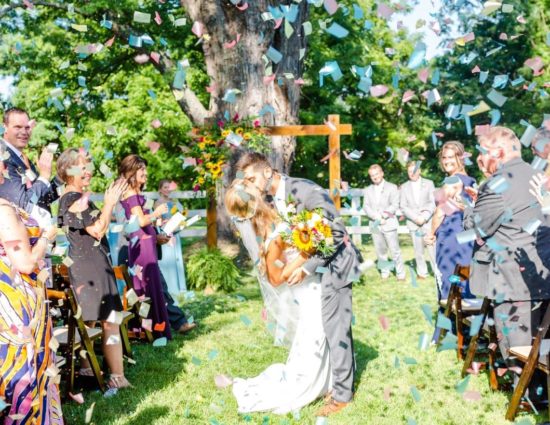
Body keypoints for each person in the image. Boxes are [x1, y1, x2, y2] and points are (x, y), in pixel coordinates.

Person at [236, 152, 363, 417]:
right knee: (329, 325)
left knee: (336, 327)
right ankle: (335, 381)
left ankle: (342, 395)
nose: (250, 184)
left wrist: (306, 267)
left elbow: (337, 232)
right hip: (317, 265)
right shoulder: (273, 198)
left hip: (336, 264)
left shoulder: (304, 189)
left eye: (251, 178)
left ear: (268, 172)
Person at [225, 179, 331, 414]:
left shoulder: (279, 217)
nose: (260, 187)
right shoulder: (271, 236)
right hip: (307, 290)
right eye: (253, 187)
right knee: (314, 336)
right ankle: (314, 383)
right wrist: (304, 258)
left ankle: (329, 381)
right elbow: (275, 278)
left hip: (314, 285)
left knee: (318, 335)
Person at [464, 126, 550, 400]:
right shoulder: (541, 176)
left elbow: (475, 232)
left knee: (517, 350)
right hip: (544, 275)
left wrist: (472, 204)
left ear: (497, 152)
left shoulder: (495, 183)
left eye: (482, 153)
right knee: (543, 347)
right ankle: (539, 396)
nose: (479, 159)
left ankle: (527, 400)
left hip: (513, 282)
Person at [56, 148, 131, 389]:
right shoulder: (73, 198)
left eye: (88, 166)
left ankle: (89, 371)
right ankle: (117, 378)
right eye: (82, 167)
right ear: (68, 171)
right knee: (110, 320)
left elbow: (99, 227)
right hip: (91, 267)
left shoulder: (75, 197)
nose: (88, 171)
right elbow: (98, 230)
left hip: (88, 264)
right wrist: (109, 204)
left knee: (89, 320)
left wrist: (106, 208)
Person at [0, 143, 63, 424]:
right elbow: (25, 263)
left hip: (13, 300)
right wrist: (48, 237)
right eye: (3, 162)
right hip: (19, 305)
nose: (6, 167)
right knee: (24, 375)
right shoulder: (3, 211)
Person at [118, 154, 172, 340]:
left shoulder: (136, 193)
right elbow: (140, 221)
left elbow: (141, 224)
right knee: (147, 287)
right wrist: (156, 212)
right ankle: (151, 331)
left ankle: (150, 330)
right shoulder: (131, 194)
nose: (146, 173)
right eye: (141, 169)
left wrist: (157, 237)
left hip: (146, 242)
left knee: (149, 286)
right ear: (132, 172)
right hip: (141, 246)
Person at [424, 141, 475, 300]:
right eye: (444, 158)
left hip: (450, 239)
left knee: (448, 281)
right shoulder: (470, 180)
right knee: (463, 279)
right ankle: (465, 321)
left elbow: (440, 212)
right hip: (466, 238)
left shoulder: (452, 182)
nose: (447, 161)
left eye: (451, 157)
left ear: (460, 158)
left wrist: (431, 234)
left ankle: (450, 322)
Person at [0, 108, 60, 221]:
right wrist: (43, 176)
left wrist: (61, 178)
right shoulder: (3, 156)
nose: (24, 132)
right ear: (5, 127)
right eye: (17, 127)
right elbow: (23, 205)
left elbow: (44, 198)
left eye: (27, 127)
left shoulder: (21, 158)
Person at [363, 164, 405, 280]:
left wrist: (382, 216)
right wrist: (375, 217)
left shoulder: (392, 187)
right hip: (375, 223)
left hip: (389, 223)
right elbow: (366, 206)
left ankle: (400, 274)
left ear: (382, 173)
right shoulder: (368, 190)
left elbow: (395, 204)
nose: (375, 177)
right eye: (372, 176)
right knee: (380, 250)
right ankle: (385, 272)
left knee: (394, 250)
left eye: (376, 174)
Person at [399, 161, 437, 279]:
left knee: (432, 248)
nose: (412, 173)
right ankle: (422, 272)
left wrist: (424, 217)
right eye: (410, 171)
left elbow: (432, 202)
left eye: (414, 170)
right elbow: (403, 206)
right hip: (413, 222)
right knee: (418, 250)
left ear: (419, 170)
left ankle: (437, 272)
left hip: (427, 221)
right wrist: (415, 218)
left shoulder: (429, 183)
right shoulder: (404, 187)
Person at [154, 179, 187, 296]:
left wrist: (180, 219)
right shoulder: (158, 203)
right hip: (166, 234)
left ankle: (179, 287)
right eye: (165, 187)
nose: (167, 190)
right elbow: (157, 221)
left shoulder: (175, 202)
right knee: (168, 261)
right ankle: (169, 287)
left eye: (169, 187)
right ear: (160, 190)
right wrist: (163, 221)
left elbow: (183, 214)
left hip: (175, 232)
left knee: (176, 260)